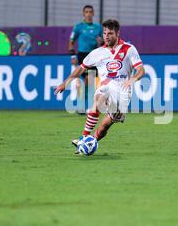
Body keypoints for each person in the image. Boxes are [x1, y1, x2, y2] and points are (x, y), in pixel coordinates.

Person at [55, 19, 145, 153]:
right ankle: (84, 138)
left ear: (118, 33)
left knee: (104, 127)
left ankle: (90, 142)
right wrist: (66, 82)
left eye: (110, 33)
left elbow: (141, 70)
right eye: (104, 33)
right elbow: (80, 68)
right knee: (98, 98)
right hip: (106, 87)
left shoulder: (129, 49)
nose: (107, 36)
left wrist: (132, 80)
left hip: (122, 94)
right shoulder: (97, 53)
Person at [69, 5, 102, 114]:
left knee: (91, 82)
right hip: (83, 55)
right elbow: (71, 41)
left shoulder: (98, 27)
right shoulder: (78, 27)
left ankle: (83, 106)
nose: (88, 14)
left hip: (94, 55)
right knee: (88, 79)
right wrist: (72, 56)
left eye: (90, 12)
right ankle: (83, 106)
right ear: (83, 14)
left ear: (93, 14)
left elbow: (103, 42)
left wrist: (100, 42)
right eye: (86, 12)